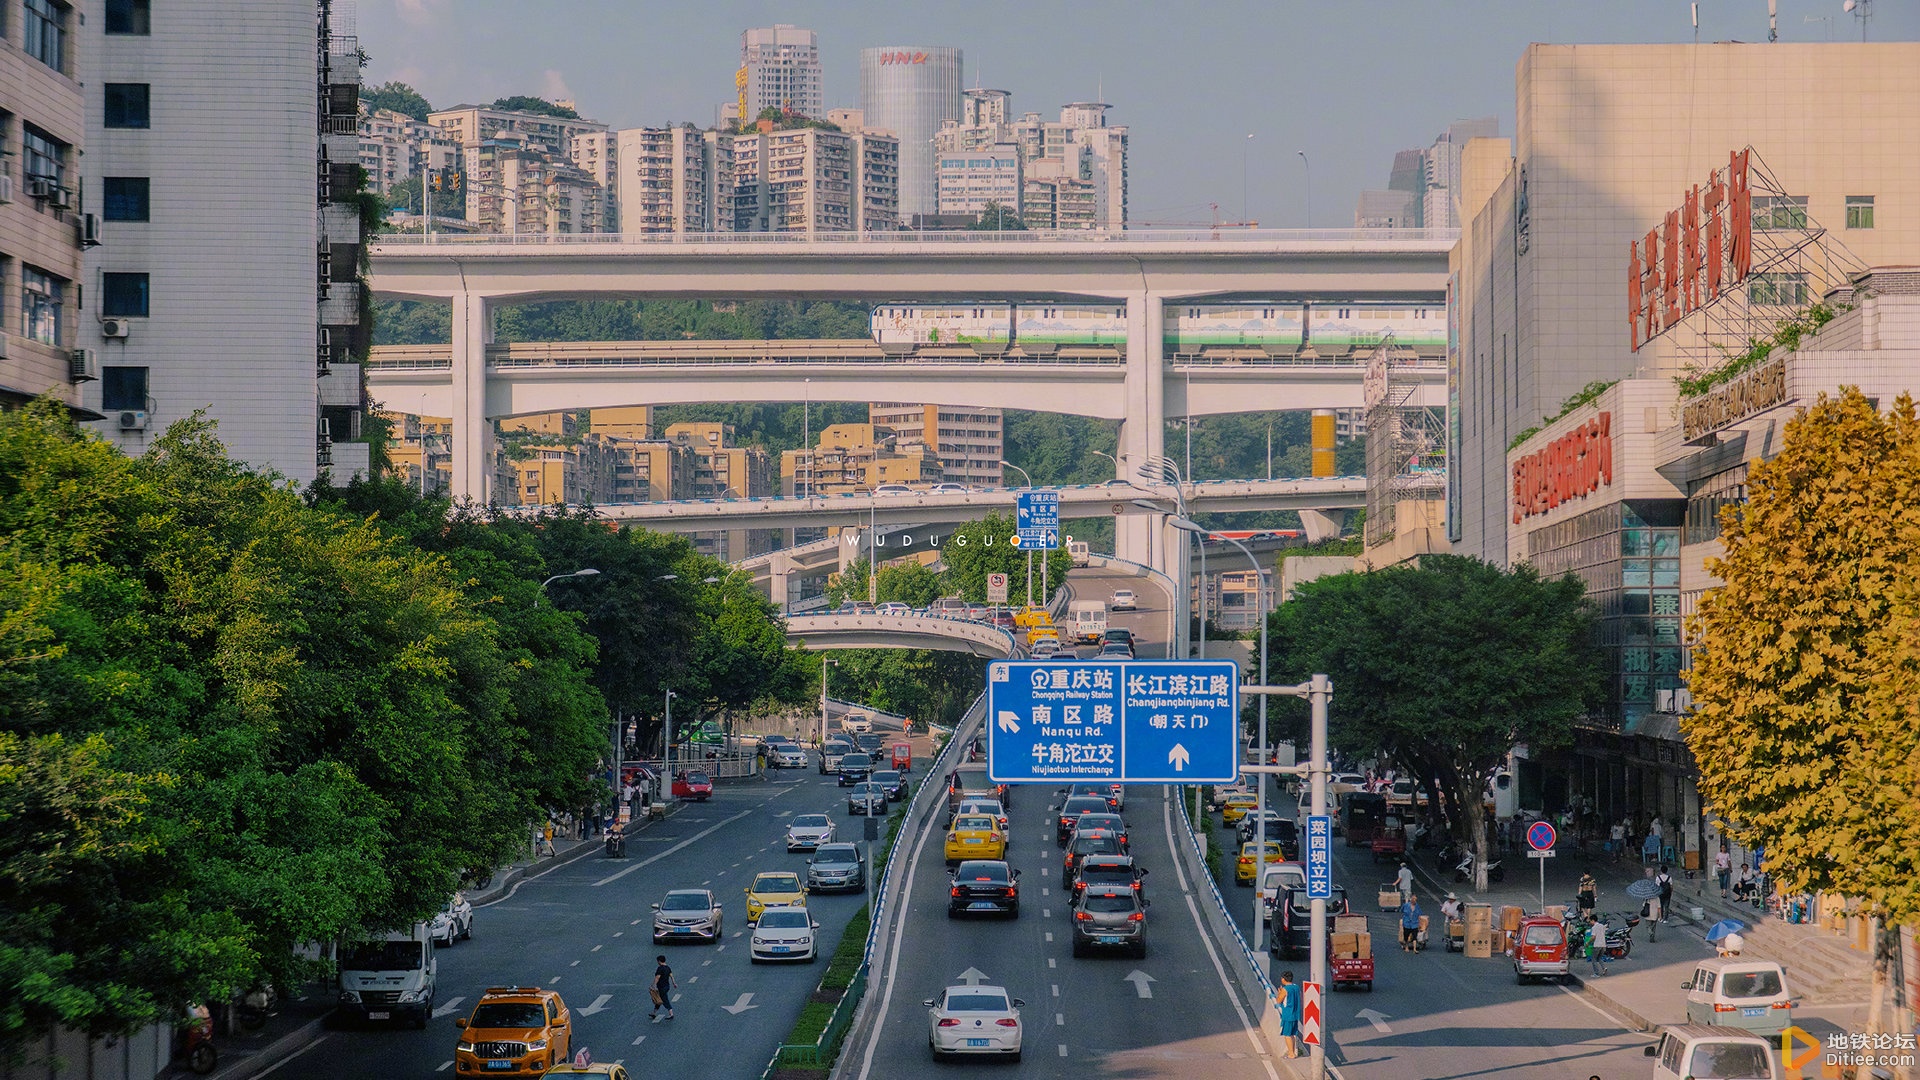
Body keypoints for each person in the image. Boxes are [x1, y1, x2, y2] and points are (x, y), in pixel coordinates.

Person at [1275, 971, 1301, 1058]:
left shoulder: (1285, 989)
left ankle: (1291, 1054)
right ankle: (1292, 1052)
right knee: (1292, 1034)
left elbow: (1278, 1000)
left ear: (1283, 979)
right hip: (1295, 1014)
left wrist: (1279, 993)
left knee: (1287, 1034)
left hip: (1288, 1015)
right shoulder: (1296, 987)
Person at [650, 955, 678, 1020]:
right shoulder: (668, 968)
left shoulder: (660, 968)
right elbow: (671, 976)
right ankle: (653, 1013)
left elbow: (657, 977)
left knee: (664, 1000)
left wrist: (653, 985)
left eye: (657, 961)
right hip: (667, 986)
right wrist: (674, 983)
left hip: (661, 987)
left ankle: (671, 1014)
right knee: (659, 999)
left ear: (659, 961)